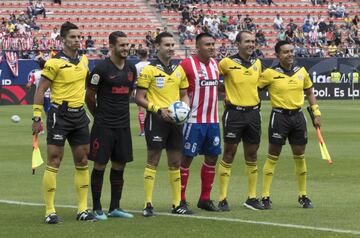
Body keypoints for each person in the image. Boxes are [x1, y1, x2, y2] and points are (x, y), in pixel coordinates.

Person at [32, 21, 95, 224]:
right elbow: (41, 90)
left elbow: (86, 88)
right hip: (60, 115)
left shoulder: (85, 60)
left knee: (83, 161)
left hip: (79, 116)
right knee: (54, 161)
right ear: (62, 40)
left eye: (79, 37)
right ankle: (49, 211)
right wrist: (36, 116)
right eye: (73, 37)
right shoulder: (54, 62)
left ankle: (83, 209)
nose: (77, 40)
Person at [258, 40, 321, 209]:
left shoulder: (301, 71)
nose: (290, 54)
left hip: (298, 117)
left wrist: (316, 112)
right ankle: (265, 196)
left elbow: (309, 92)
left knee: (300, 155)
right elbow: (255, 90)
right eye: (285, 52)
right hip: (279, 117)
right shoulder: (270, 73)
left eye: (291, 51)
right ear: (277, 55)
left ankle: (303, 195)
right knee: (273, 155)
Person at [135, 32, 192, 217]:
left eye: (172, 45)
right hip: (157, 119)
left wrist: (184, 109)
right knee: (153, 160)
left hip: (175, 121)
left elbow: (184, 93)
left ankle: (177, 204)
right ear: (157, 47)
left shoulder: (179, 69)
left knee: (175, 162)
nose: (171, 48)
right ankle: (148, 204)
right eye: (167, 45)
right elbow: (139, 98)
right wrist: (159, 110)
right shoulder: (149, 70)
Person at [86, 31, 136, 221]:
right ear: (112, 46)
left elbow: (128, 92)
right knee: (100, 165)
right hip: (103, 126)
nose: (125, 49)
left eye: (127, 45)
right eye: (122, 45)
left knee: (119, 166)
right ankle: (97, 208)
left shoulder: (131, 68)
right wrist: (98, 115)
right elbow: (89, 96)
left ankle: (115, 207)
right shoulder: (101, 69)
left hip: (123, 125)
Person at [217, 31, 264, 211]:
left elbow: (258, 85)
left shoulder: (257, 63)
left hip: (253, 113)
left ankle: (251, 198)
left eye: (253, 41)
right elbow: (214, 80)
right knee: (229, 153)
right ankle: (222, 198)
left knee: (252, 155)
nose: (251, 44)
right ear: (238, 44)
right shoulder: (227, 63)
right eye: (247, 41)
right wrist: (227, 92)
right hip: (234, 114)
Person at [179, 33, 221, 212]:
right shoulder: (186, 64)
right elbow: (176, 87)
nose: (211, 47)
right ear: (197, 47)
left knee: (212, 158)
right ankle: (180, 199)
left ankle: (205, 199)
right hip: (193, 121)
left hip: (213, 121)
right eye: (207, 45)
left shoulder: (215, 64)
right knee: (186, 158)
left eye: (213, 44)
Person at [134, 48, 150, 136]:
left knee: (141, 110)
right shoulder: (151, 65)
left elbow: (135, 79)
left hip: (140, 89)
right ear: (147, 55)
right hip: (150, 89)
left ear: (139, 56)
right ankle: (150, 128)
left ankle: (143, 130)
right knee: (150, 109)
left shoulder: (136, 66)